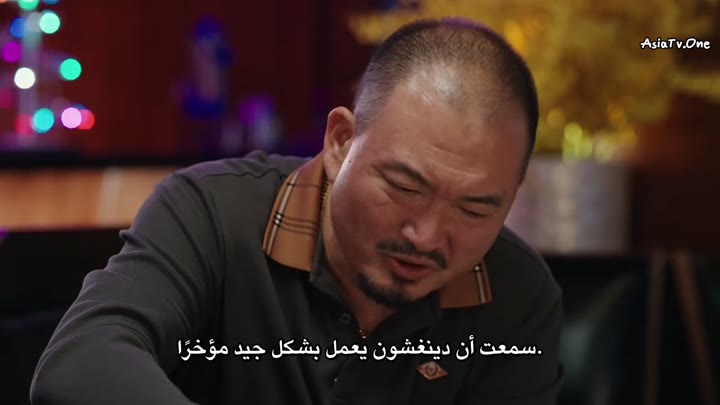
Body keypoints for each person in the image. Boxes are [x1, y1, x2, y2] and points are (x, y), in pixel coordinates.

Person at [30, 17, 564, 405]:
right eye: (404, 187)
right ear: (340, 142)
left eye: (473, 209)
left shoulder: (517, 293)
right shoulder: (215, 215)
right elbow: (81, 361)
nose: (425, 236)